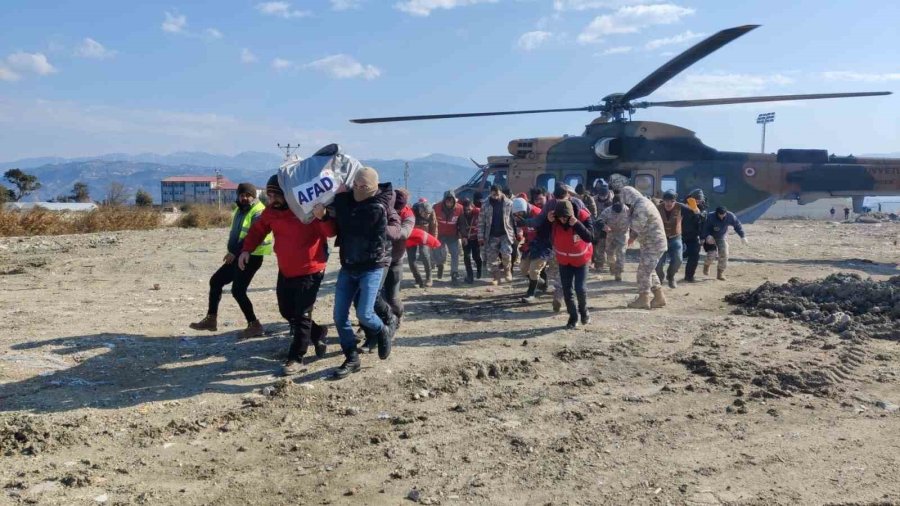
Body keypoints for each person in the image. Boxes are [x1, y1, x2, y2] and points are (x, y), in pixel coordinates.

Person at [239, 176, 334, 375]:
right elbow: (258, 230)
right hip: (286, 270)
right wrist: (246, 250)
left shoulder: (306, 210)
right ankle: (318, 332)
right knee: (286, 311)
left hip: (311, 269)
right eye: (269, 194)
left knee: (301, 315)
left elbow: (330, 231)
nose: (272, 199)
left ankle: (296, 358)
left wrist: (322, 216)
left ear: (287, 195)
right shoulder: (271, 212)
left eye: (276, 195)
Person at [324, 167, 401, 379]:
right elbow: (338, 225)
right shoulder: (346, 201)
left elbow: (356, 224)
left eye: (363, 187)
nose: (358, 190)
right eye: (355, 186)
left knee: (365, 313)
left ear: (373, 188)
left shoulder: (378, 207)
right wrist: (326, 213)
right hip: (349, 265)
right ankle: (351, 358)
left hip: (373, 265)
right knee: (339, 316)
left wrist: (339, 203)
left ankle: (383, 329)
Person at [190, 183, 272, 339]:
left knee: (238, 291)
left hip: (251, 256)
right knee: (216, 281)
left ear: (254, 196)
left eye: (248, 195)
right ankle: (211, 319)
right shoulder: (239, 210)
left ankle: (254, 325)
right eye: (242, 195)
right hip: (238, 255)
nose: (245, 198)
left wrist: (234, 252)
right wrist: (232, 252)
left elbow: (252, 237)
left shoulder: (259, 211)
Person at [548, 200, 594, 328]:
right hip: (564, 261)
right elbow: (542, 232)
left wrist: (577, 224)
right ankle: (573, 317)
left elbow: (590, 237)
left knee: (580, 289)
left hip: (581, 260)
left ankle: (584, 312)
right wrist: (548, 221)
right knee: (567, 291)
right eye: (560, 217)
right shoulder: (554, 220)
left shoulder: (583, 217)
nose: (563, 220)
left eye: (566, 217)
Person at [621, 186, 668, 309]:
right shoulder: (642, 202)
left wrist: (630, 238)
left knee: (643, 272)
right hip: (652, 243)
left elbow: (638, 225)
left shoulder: (641, 205)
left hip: (653, 243)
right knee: (649, 270)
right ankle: (659, 297)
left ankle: (643, 299)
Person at [654, 190, 697, 289]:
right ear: (663, 200)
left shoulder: (681, 207)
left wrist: (695, 209)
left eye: (671, 201)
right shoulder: (657, 208)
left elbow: (695, 214)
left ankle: (671, 276)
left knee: (678, 259)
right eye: (667, 201)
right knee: (658, 263)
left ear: (675, 201)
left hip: (675, 237)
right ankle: (660, 279)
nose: (669, 203)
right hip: (661, 238)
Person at [512, 197, 549, 303]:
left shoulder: (537, 213)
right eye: (516, 214)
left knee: (534, 269)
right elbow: (522, 229)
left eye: (520, 213)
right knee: (523, 268)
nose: (518, 215)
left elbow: (545, 228)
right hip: (529, 244)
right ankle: (540, 282)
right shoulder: (518, 216)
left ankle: (531, 293)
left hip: (542, 244)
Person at [478, 184, 514, 285]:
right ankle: (496, 277)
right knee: (491, 258)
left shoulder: (509, 203)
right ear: (490, 193)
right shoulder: (485, 205)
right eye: (493, 195)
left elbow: (514, 220)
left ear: (501, 192)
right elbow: (481, 222)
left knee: (506, 254)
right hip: (491, 235)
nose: (495, 197)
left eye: (497, 194)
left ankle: (507, 271)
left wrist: (518, 232)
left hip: (505, 234)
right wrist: (480, 237)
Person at [701, 206, 747, 281]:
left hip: (721, 236)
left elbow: (737, 225)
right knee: (712, 255)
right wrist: (706, 236)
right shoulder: (710, 216)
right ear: (717, 213)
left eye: (723, 214)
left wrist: (742, 236)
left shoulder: (730, 216)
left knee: (724, 253)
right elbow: (704, 228)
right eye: (720, 215)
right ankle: (707, 265)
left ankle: (720, 273)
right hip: (710, 237)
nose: (722, 216)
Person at [433, 190, 464, 285]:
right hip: (439, 234)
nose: (449, 204)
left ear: (454, 201)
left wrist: (462, 235)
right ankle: (440, 265)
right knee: (438, 254)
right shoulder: (436, 207)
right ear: (444, 201)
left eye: (451, 201)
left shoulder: (460, 208)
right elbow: (432, 222)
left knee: (455, 254)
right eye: (447, 201)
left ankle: (454, 273)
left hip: (452, 235)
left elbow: (461, 223)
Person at [597, 195, 629, 281]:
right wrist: (604, 226)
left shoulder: (628, 211)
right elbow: (599, 220)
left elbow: (635, 221)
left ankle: (618, 272)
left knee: (621, 253)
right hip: (611, 234)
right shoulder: (608, 210)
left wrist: (633, 235)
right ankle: (613, 266)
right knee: (610, 254)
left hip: (622, 234)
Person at [408, 198, 437, 288]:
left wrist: (434, 240)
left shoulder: (431, 212)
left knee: (424, 254)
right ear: (420, 210)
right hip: (411, 235)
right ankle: (418, 279)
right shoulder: (412, 211)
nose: (427, 216)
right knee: (411, 259)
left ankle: (429, 277)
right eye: (425, 214)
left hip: (424, 235)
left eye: (428, 214)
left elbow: (434, 226)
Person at [681, 188, 707, 283]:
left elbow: (703, 223)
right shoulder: (682, 206)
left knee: (695, 255)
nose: (698, 201)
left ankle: (689, 276)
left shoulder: (702, 208)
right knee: (678, 254)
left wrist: (697, 212)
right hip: (680, 235)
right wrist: (688, 208)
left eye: (700, 199)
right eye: (697, 199)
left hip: (694, 235)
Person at [592, 179, 615, 273]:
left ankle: (612, 266)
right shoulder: (594, 199)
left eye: (604, 196)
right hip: (598, 226)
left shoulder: (614, 200)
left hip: (610, 227)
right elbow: (591, 213)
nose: (602, 198)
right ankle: (599, 265)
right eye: (600, 196)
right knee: (599, 246)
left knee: (611, 248)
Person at [459, 197, 482, 283]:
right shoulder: (461, 216)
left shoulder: (478, 212)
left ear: (472, 206)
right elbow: (461, 227)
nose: (467, 211)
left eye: (469, 209)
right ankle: (470, 276)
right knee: (467, 257)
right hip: (466, 238)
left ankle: (479, 269)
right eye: (465, 210)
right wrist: (464, 237)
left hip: (476, 238)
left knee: (476, 256)